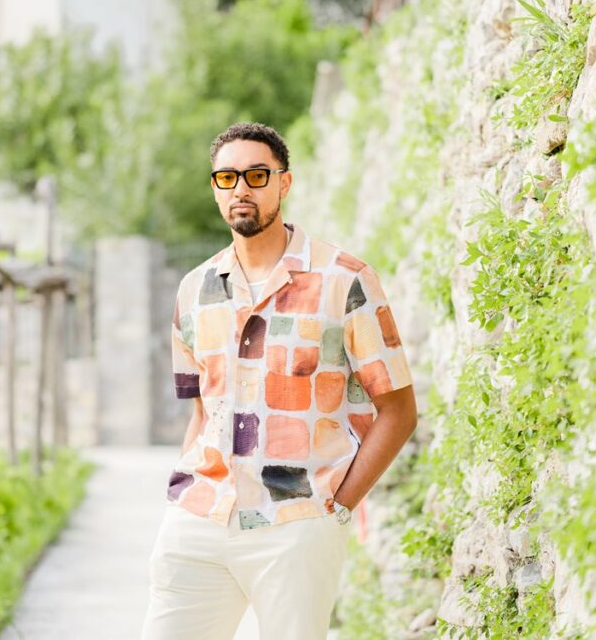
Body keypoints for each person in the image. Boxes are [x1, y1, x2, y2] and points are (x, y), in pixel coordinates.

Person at [141, 122, 417, 640]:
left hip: (298, 523)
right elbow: (202, 409)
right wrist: (184, 488)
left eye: (256, 174)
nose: (240, 188)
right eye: (226, 177)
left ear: (283, 184)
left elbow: (398, 410)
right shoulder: (195, 289)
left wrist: (336, 507)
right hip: (200, 518)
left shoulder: (345, 280)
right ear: (215, 188)